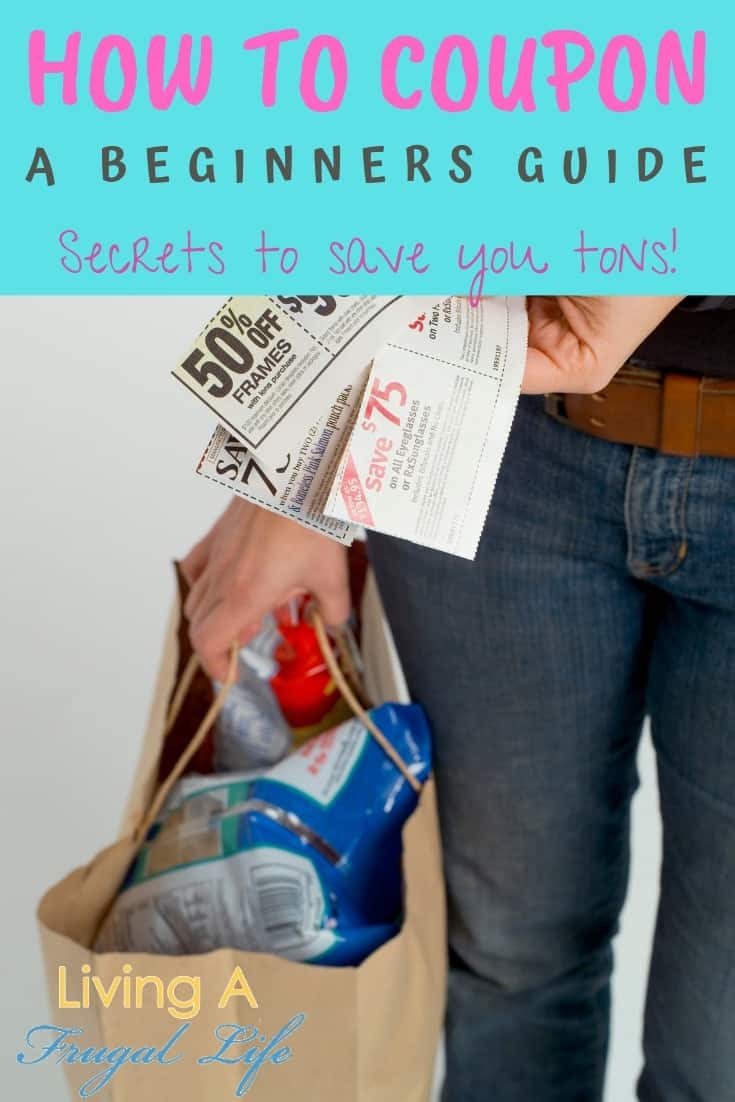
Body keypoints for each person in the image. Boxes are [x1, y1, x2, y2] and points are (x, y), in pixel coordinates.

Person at [181, 295, 735, 1102]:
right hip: (483, 419)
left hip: (500, 399)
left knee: (718, 1036)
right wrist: (292, 461)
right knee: (506, 951)